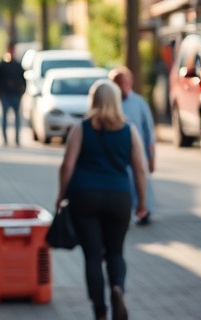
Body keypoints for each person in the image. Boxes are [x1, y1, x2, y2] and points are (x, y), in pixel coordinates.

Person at [57, 80, 148, 320]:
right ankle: (117, 289)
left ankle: (100, 311)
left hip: (84, 197)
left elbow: (67, 165)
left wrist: (61, 195)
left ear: (94, 101)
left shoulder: (81, 128)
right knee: (116, 252)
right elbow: (140, 169)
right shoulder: (129, 130)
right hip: (119, 198)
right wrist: (142, 202)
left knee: (93, 256)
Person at [109, 67, 156, 224]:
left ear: (130, 82)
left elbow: (148, 131)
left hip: (138, 151)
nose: (121, 85)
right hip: (117, 154)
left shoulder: (139, 103)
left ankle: (144, 210)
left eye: (124, 82)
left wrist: (151, 157)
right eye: (117, 82)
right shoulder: (108, 105)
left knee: (141, 179)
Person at [0, 40, 27, 146]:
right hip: (6, 95)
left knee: (17, 118)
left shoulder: (17, 65)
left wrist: (21, 91)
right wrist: (0, 92)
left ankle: (17, 139)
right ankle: (5, 139)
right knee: (5, 118)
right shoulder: (2, 65)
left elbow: (23, 80)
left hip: (15, 95)